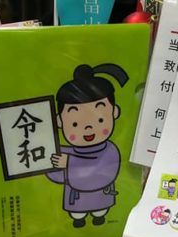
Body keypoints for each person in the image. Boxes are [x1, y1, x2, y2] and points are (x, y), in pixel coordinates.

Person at [48, 64, 128, 228]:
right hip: (76, 198)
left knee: (100, 211)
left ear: (114, 112)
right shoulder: (64, 151)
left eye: (100, 120)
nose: (88, 128)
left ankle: (99, 216)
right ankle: (79, 218)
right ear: (59, 121)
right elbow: (54, 172)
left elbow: (108, 170)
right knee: (77, 214)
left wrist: (69, 163)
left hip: (101, 195)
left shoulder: (110, 150)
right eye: (75, 124)